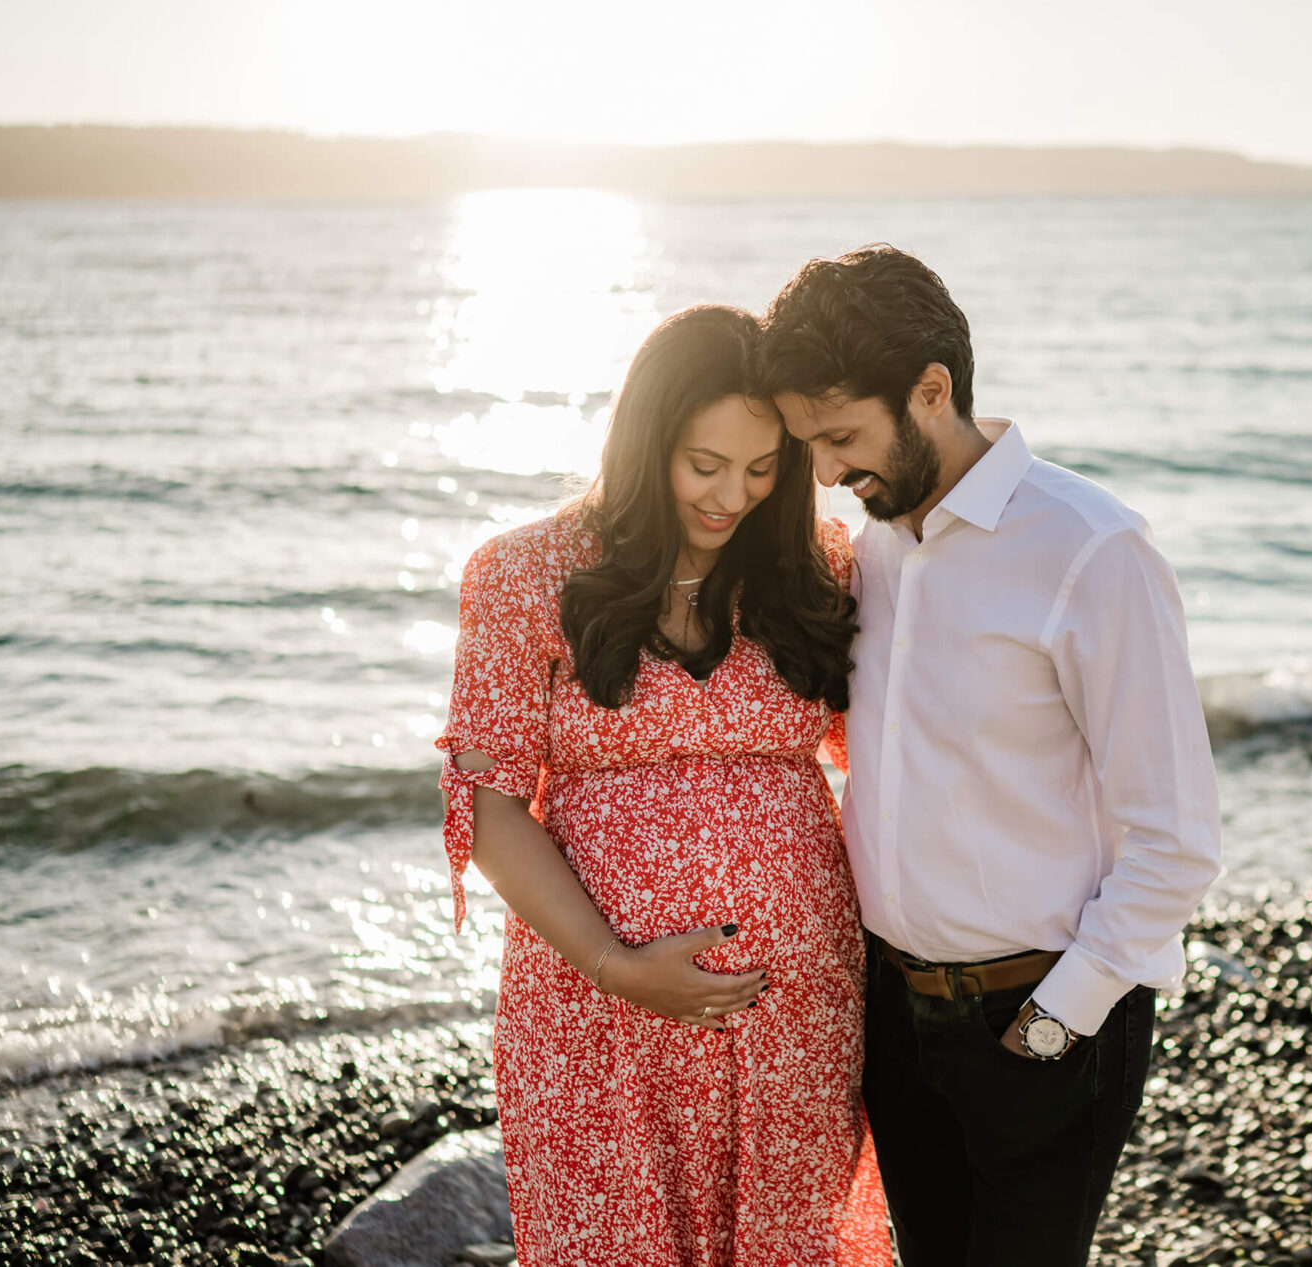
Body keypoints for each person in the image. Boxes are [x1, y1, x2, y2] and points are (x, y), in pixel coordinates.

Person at [760, 246, 1223, 1267]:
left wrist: (1058, 1021)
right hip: (891, 1018)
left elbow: (1177, 837)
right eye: (812, 447)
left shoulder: (1093, 551)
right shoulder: (877, 541)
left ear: (931, 390)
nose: (829, 473)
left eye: (840, 437)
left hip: (1041, 1020)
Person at [436, 304, 889, 1267]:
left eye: (763, 468)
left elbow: (896, 762)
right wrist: (614, 962)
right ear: (646, 444)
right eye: (704, 464)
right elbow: (490, 805)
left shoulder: (820, 567)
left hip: (797, 1018)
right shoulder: (524, 575)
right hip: (596, 1016)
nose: (733, 495)